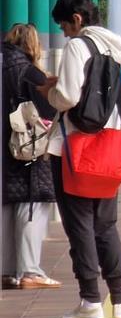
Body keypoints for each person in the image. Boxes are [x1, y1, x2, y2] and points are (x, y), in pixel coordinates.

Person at [37, 0, 121, 318]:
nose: (65, 32)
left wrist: (49, 92)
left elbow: (68, 96)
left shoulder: (77, 46)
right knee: (105, 225)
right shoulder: (118, 49)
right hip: (109, 145)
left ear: (78, 20)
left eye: (65, 26)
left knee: (79, 225)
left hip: (75, 149)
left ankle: (90, 303)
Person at [2, 24, 62, 291]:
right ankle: (30, 271)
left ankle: (6, 272)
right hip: (26, 149)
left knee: (5, 209)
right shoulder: (31, 73)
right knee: (32, 207)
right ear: (32, 45)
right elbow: (51, 107)